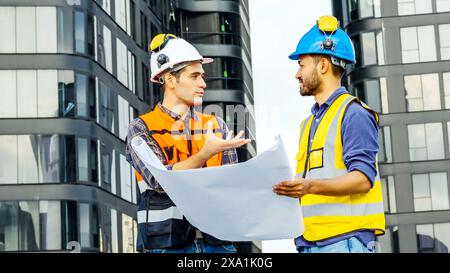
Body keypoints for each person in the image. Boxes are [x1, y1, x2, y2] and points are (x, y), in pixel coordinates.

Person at [126, 34, 250, 253]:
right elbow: (160, 180)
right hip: (165, 244)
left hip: (219, 244)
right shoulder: (141, 128)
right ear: (170, 80)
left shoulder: (215, 124)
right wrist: (205, 153)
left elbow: (232, 188)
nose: (203, 83)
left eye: (202, 76)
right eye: (194, 76)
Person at [273, 16, 385, 253]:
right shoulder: (309, 123)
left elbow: (363, 179)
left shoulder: (353, 113)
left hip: (345, 241)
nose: (297, 74)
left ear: (323, 65)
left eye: (302, 64)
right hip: (312, 242)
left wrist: (309, 186)